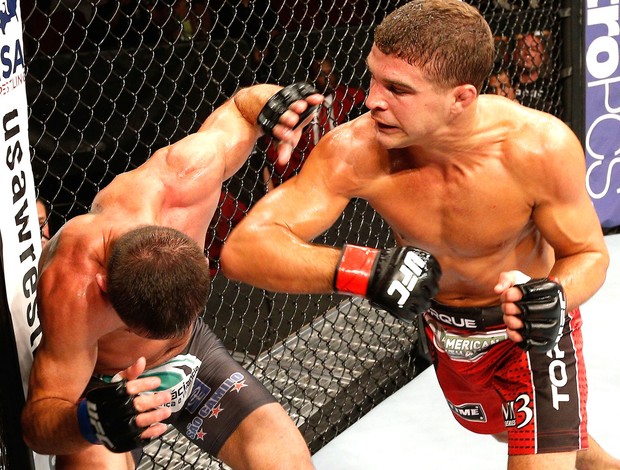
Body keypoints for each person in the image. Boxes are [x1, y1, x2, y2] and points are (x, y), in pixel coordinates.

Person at [220, 1, 620, 468]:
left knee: (540, 451)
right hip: (449, 333)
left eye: (398, 89)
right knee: (519, 433)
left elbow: (589, 253)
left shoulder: (537, 149)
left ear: (461, 98)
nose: (371, 99)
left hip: (530, 334)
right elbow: (245, 249)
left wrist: (553, 295)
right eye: (373, 77)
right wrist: (365, 270)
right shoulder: (357, 150)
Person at [21, 84, 322, 470]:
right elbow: (37, 422)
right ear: (104, 287)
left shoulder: (184, 180)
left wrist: (278, 105)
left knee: (288, 460)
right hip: (106, 383)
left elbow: (242, 111)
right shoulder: (72, 287)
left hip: (190, 350)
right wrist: (88, 422)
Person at [262, 56, 365, 189]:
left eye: (330, 73)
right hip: (305, 171)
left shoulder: (353, 97)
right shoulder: (298, 104)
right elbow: (272, 143)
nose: (328, 78)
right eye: (322, 74)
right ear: (312, 77)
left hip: (344, 167)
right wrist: (292, 174)